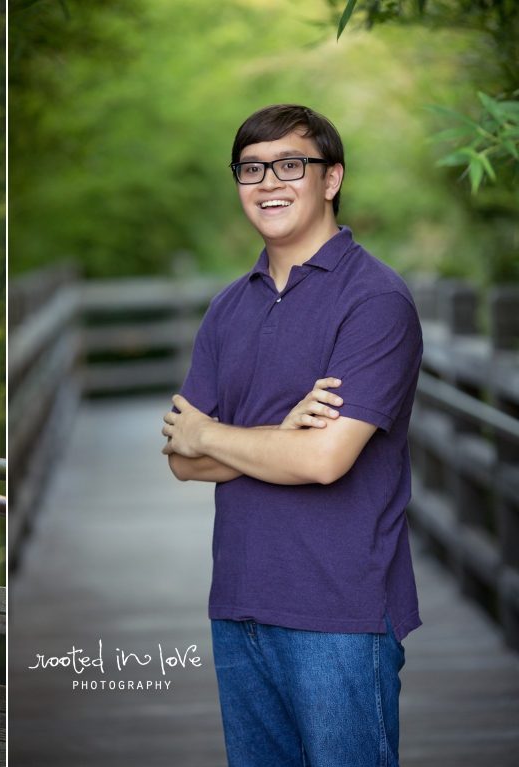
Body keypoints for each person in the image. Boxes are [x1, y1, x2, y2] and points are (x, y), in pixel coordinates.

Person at [161, 104, 422, 766]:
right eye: (250, 169)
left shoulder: (375, 301)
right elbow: (180, 461)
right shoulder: (228, 305)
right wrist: (277, 433)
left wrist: (215, 434)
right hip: (238, 603)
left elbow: (326, 458)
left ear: (330, 179)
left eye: (289, 165)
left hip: (340, 611)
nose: (267, 182)